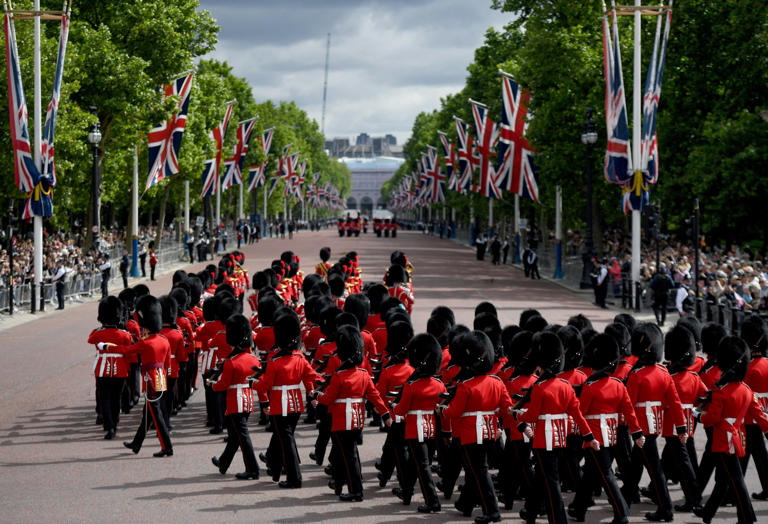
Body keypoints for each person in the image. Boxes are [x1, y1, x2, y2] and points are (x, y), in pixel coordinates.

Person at [442, 331, 514, 524]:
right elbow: (507, 408)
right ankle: (465, 504)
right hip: (490, 433)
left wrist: (441, 410)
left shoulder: (466, 386)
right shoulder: (497, 383)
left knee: (479, 472)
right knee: (475, 471)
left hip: (469, 434)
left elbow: (454, 412)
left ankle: (492, 511)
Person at [695, 336, 768, 523]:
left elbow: (713, 418)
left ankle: (747, 517)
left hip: (722, 440)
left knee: (735, 480)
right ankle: (708, 513)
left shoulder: (721, 391)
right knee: (724, 479)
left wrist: (698, 415)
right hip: (738, 437)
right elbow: (760, 417)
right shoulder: (747, 390)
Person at [315, 325, 392, 502]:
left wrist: (316, 395)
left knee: (349, 456)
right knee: (346, 454)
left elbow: (328, 399)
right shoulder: (364, 375)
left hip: (343, 420)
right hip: (357, 420)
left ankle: (356, 490)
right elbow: (376, 397)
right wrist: (385, 415)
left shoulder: (339, 376)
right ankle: (339, 483)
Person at [253, 311, 320, 488]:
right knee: (281, 437)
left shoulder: (275, 362)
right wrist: (312, 393)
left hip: (279, 405)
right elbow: (311, 377)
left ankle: (294, 478)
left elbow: (265, 384)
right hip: (296, 405)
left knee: (286, 440)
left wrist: (253, 383)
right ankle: (274, 469)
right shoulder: (300, 358)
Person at [392, 333, 446, 513]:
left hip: (415, 429)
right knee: (416, 464)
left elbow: (401, 410)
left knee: (422, 467)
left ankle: (432, 501)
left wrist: (393, 406)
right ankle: (406, 493)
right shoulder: (439, 385)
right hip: (432, 429)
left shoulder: (412, 386)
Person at [114, 295, 173, 457]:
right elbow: (167, 363)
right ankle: (136, 443)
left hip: (151, 381)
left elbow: (126, 351)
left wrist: (108, 347)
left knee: (157, 415)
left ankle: (167, 446)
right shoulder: (163, 340)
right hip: (161, 378)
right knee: (148, 414)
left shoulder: (146, 342)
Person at [210, 314, 261, 479]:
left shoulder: (231, 362)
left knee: (242, 435)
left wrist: (212, 385)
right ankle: (224, 462)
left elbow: (223, 384)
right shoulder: (253, 359)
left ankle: (252, 468)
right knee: (235, 435)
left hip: (235, 401)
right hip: (247, 400)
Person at [88, 297, 133, 439]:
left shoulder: (98, 333)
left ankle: (109, 427)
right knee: (116, 398)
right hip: (120, 368)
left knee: (105, 399)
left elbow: (91, 339)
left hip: (102, 369)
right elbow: (128, 351)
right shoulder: (125, 335)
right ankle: (115, 422)